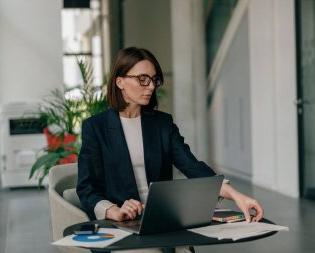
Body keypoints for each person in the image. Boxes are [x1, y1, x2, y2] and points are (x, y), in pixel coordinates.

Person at [77, 47, 263, 251]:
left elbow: (193, 167)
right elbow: (87, 188)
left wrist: (237, 196)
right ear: (119, 81)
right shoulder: (95, 128)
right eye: (142, 79)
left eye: (153, 79)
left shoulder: (162, 125)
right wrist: (113, 210)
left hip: (164, 223)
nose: (150, 86)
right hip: (121, 227)